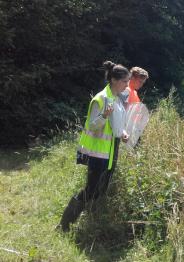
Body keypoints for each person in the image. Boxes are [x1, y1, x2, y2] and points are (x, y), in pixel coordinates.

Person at [58, 61, 131, 232]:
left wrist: (123, 133)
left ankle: (93, 221)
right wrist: (104, 115)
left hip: (112, 151)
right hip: (98, 154)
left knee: (102, 189)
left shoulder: (118, 98)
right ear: (113, 79)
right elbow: (92, 126)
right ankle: (65, 223)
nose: (127, 85)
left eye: (127, 81)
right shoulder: (100, 99)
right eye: (124, 81)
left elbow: (118, 125)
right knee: (91, 190)